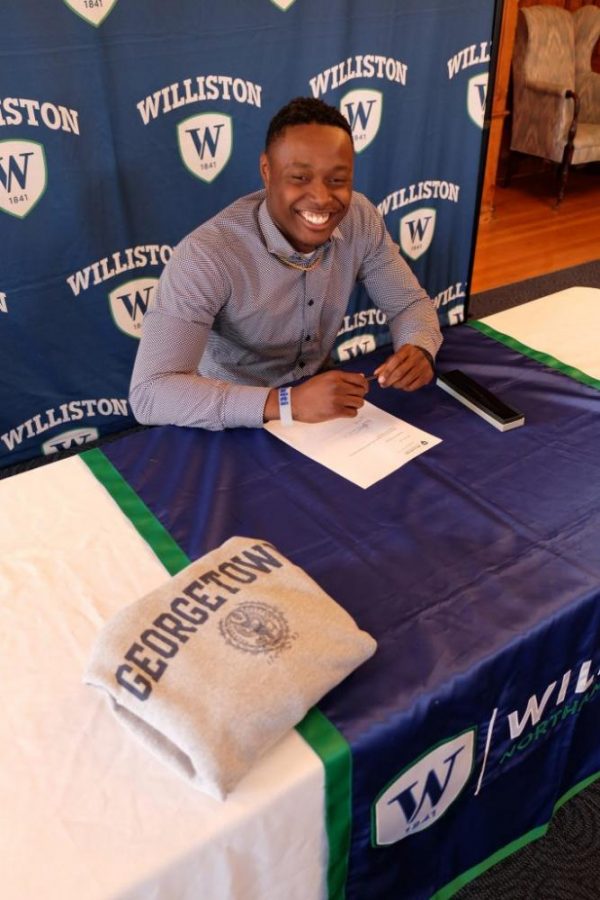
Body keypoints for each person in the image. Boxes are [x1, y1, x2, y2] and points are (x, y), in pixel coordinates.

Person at [129, 97, 442, 431]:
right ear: (267, 171)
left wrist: (419, 345)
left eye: (337, 180)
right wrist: (285, 403)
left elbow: (408, 303)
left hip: (323, 406)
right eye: (300, 178)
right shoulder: (206, 255)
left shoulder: (360, 218)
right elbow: (151, 393)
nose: (322, 198)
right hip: (233, 418)